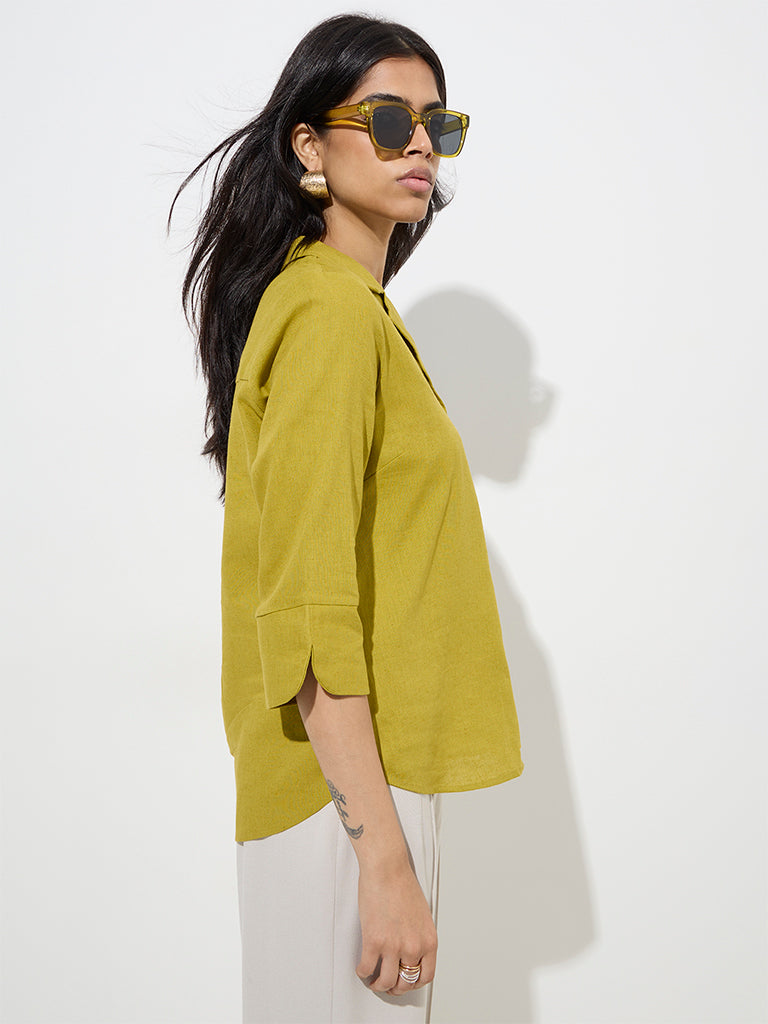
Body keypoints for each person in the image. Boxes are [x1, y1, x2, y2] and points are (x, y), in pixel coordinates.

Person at [170, 13, 523, 1023]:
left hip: (352, 792)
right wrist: (383, 860)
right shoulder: (326, 311)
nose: (420, 146)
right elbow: (311, 613)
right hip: (346, 801)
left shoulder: (348, 308)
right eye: (388, 119)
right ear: (310, 148)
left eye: (436, 125)